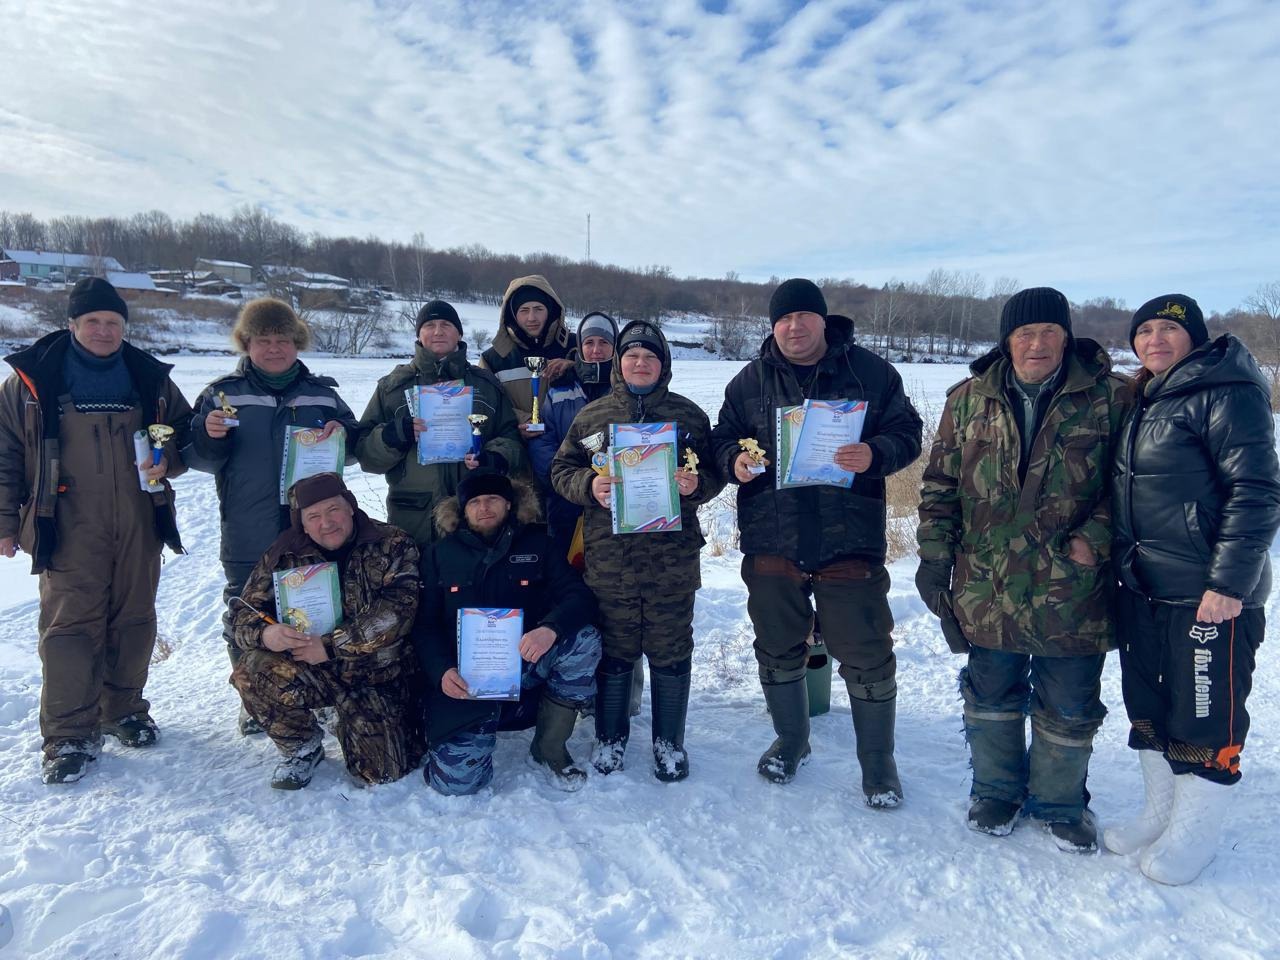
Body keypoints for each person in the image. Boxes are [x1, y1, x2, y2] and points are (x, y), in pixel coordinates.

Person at [916, 286, 1125, 851]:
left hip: (1071, 586)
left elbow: (1130, 488)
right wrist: (935, 556)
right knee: (990, 692)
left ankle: (1059, 803)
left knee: (1070, 700)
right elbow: (939, 487)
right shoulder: (966, 400)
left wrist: (1094, 539)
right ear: (1007, 341)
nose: (1038, 344)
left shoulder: (1111, 398)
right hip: (989, 582)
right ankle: (996, 791)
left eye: (1050, 332)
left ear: (1067, 336)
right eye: (1025, 334)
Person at [709, 278, 923, 805]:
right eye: (784, 318)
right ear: (773, 325)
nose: (794, 327)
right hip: (772, 538)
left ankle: (878, 764)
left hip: (848, 537)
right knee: (777, 647)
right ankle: (792, 739)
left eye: (805, 316)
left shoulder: (869, 373)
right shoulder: (748, 381)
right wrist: (732, 461)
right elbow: (722, 438)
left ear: (824, 321)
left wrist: (875, 454)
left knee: (867, 653)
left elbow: (908, 433)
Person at [1103, 294, 1280, 883]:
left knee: (1207, 711)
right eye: (1144, 330)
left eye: (1168, 330)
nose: (1154, 340)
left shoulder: (1228, 391)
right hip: (1143, 587)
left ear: (1196, 337)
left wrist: (1229, 582)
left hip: (1207, 593)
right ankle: (1160, 813)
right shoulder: (1143, 398)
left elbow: (1255, 491)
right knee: (1149, 706)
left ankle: (1195, 832)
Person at [0, 277, 191, 784]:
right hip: (63, 520)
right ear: (72, 325)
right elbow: (5, 457)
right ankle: (68, 735)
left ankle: (123, 710)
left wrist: (166, 458)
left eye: (113, 323)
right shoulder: (29, 382)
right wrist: (4, 522)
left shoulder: (149, 378)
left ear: (124, 327)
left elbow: (182, 435)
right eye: (93, 322)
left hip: (138, 517)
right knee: (70, 628)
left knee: (133, 618)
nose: (104, 331)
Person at [551, 320, 724, 782]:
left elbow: (713, 473)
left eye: (650, 356)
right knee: (616, 653)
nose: (640, 363)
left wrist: (696, 485)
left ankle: (669, 744)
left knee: (670, 652)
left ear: (663, 364)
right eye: (631, 356)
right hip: (611, 562)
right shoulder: (593, 417)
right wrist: (590, 484)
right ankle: (610, 738)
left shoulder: (688, 417)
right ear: (618, 363)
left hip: (672, 559)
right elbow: (560, 471)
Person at [185, 297, 358, 736]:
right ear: (247, 343)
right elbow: (195, 457)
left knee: (319, 604)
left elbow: (355, 445)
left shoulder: (321, 393)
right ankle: (255, 696)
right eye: (264, 340)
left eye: (283, 340)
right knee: (248, 610)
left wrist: (344, 436)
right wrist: (209, 435)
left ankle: (316, 692)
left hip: (315, 526)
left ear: (296, 343)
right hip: (248, 525)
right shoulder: (222, 394)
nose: (275, 349)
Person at [414, 469, 601, 794]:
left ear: (510, 505)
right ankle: (465, 730)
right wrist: (442, 671)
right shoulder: (438, 555)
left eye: (493, 500)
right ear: (462, 510)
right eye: (475, 502)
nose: (484, 507)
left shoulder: (540, 544)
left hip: (524, 663)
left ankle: (549, 745)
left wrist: (550, 629)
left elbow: (579, 597)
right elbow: (425, 625)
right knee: (456, 786)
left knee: (583, 639)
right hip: (465, 679)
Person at [228, 473, 420, 789]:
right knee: (252, 671)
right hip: (312, 669)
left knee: (381, 774)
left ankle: (346, 719)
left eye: (333, 510)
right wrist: (266, 634)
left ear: (351, 508)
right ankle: (301, 746)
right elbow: (240, 613)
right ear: (302, 523)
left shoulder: (392, 544)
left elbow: (397, 613)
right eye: (313, 516)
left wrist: (332, 645)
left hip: (376, 676)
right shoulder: (283, 553)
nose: (326, 523)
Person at [355, 299, 522, 547]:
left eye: (446, 324)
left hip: (476, 514)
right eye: (430, 325)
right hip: (414, 517)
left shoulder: (485, 385)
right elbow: (364, 453)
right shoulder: (392, 388)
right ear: (419, 334)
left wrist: (493, 459)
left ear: (459, 333)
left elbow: (512, 439)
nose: (438, 331)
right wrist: (392, 437)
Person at [528, 311, 619, 563]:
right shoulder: (560, 389)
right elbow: (543, 440)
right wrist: (569, 483)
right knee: (567, 569)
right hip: (566, 501)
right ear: (579, 347)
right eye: (589, 343)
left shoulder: (625, 388)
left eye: (604, 343)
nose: (596, 350)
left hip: (615, 500)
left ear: (615, 347)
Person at [480, 275, 576, 438]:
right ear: (512, 314)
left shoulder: (576, 347)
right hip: (515, 448)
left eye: (538, 309)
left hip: (569, 446)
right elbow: (485, 402)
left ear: (551, 310)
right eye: (524, 310)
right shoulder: (493, 358)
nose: (531, 317)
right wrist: (521, 419)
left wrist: (575, 366)